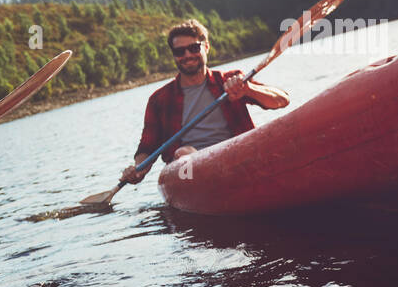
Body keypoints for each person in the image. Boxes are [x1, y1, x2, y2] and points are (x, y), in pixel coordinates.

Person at [121, 18, 289, 185]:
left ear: (206, 47)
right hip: (190, 168)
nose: (187, 55)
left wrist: (249, 89)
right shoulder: (159, 100)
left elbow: (282, 100)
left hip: (237, 155)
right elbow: (146, 148)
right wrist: (137, 169)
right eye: (180, 52)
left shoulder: (231, 80)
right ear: (174, 56)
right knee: (183, 154)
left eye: (194, 48)